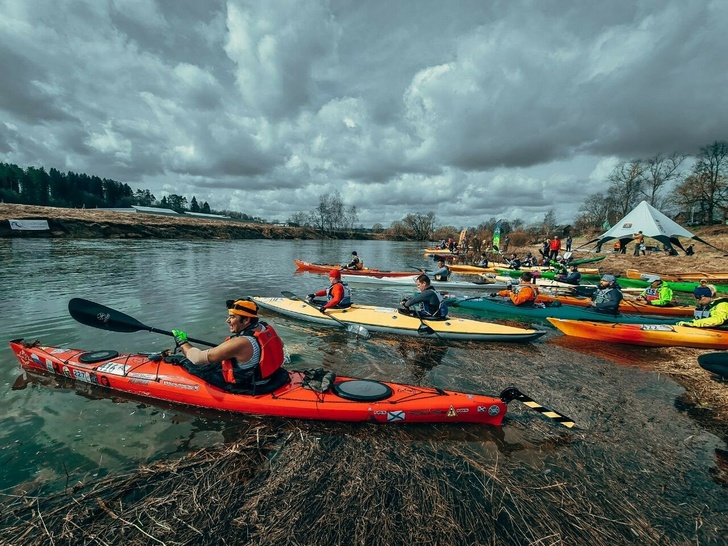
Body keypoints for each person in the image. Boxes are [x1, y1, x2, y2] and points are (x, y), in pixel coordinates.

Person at [172, 299, 286, 392]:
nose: (227, 321)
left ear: (246, 320)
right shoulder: (265, 328)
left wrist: (182, 342)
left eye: (232, 317)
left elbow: (197, 358)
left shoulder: (240, 342)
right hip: (273, 377)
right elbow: (280, 344)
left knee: (192, 365)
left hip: (254, 384)